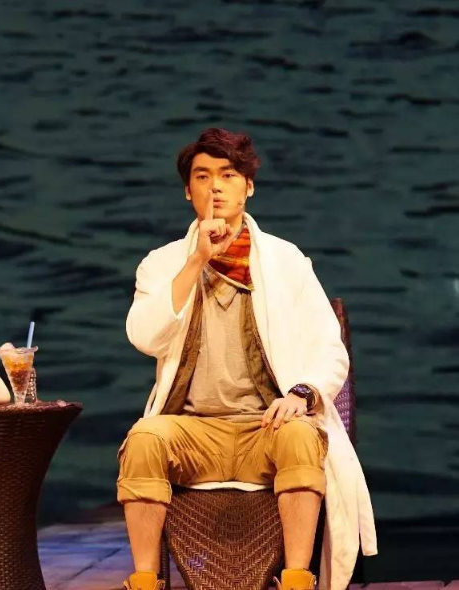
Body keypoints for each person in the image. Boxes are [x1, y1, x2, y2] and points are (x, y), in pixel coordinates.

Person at [118, 129, 376, 590]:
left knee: (301, 436)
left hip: (266, 429)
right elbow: (144, 336)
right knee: (143, 438)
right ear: (188, 191)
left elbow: (328, 347)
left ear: (248, 186)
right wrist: (196, 261)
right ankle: (144, 582)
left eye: (228, 175)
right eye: (202, 177)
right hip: (194, 433)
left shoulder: (285, 260)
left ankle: (296, 581)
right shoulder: (163, 263)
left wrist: (302, 394)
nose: (215, 187)